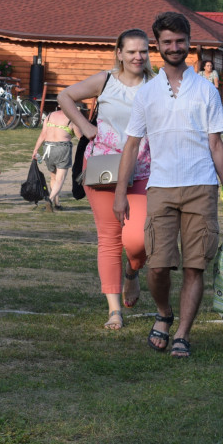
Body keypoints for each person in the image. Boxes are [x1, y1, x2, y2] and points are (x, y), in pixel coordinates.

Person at [113, 13, 223, 357]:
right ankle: (164, 313)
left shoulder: (206, 90)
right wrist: (121, 193)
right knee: (157, 266)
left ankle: (182, 333)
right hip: (161, 188)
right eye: (167, 42)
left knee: (195, 265)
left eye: (179, 41)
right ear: (158, 45)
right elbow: (133, 145)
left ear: (189, 43)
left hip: (202, 186)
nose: (174, 47)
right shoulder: (147, 93)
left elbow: (216, 145)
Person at [59, 29, 156, 331]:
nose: (137, 57)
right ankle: (114, 310)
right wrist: (86, 126)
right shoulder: (105, 81)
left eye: (143, 51)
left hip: (142, 171)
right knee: (110, 238)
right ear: (119, 53)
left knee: (138, 238)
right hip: (103, 169)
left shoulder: (157, 85)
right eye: (131, 51)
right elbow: (65, 96)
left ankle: (132, 271)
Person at [31, 109, 80, 210]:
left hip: (48, 148)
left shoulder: (49, 116)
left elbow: (43, 134)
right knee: (60, 179)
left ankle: (56, 203)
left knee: (53, 178)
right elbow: (80, 137)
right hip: (62, 148)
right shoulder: (72, 118)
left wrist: (35, 149)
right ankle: (50, 199)